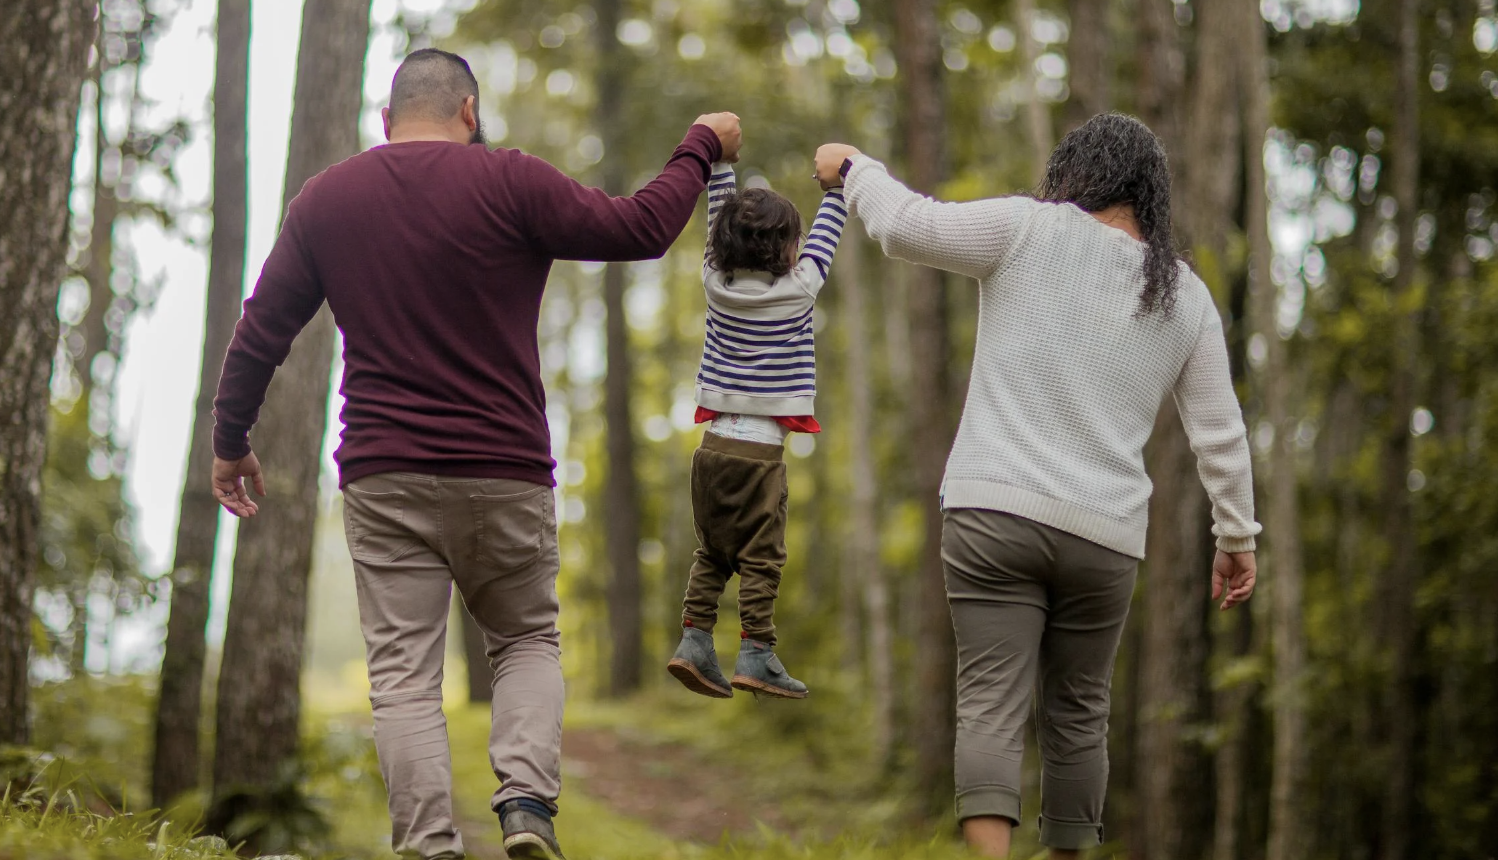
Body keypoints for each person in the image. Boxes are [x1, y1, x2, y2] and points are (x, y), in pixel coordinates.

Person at [209, 48, 742, 860]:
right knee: (526, 639)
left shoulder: (328, 199)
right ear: (469, 111)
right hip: (504, 469)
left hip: (384, 474)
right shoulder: (511, 180)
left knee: (403, 679)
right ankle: (526, 807)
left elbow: (261, 332)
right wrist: (699, 143)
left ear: (386, 123)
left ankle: (429, 847)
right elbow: (640, 228)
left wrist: (230, 441)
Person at [812, 113, 1260, 858]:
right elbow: (1221, 432)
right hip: (1104, 538)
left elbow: (906, 228)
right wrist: (1236, 537)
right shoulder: (1186, 297)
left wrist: (856, 167)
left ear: (1074, 173)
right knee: (1079, 717)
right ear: (1151, 196)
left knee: (989, 703)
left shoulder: (1027, 228)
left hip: (994, 512)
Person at [664, 160, 847, 701]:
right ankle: (756, 651)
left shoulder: (713, 284)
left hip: (713, 449)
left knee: (713, 553)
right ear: (786, 250)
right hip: (760, 456)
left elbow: (715, 219)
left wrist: (720, 164)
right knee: (761, 558)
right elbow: (828, 233)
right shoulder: (800, 289)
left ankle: (694, 640)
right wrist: (836, 187)